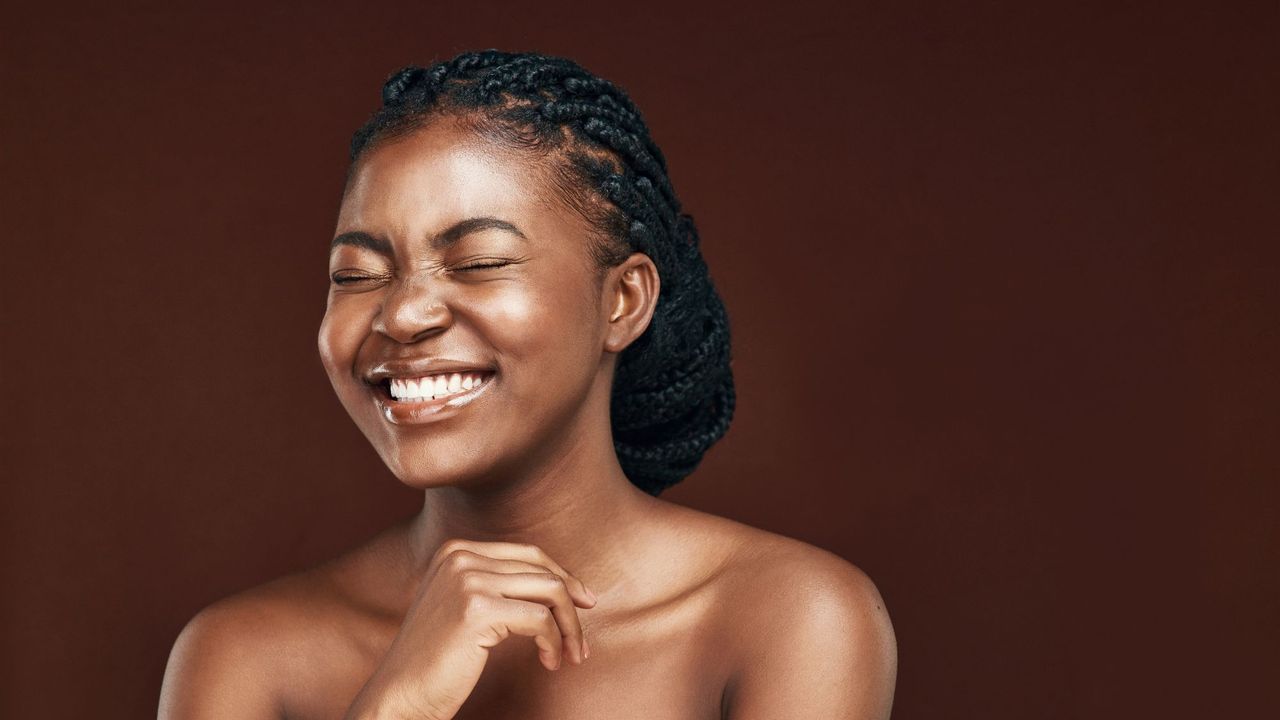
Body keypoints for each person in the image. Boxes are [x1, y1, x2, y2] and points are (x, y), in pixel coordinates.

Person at [157, 49, 896, 720]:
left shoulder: (788, 618)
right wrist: (397, 704)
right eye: (357, 274)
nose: (404, 312)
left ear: (623, 302)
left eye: (476, 262)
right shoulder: (241, 657)